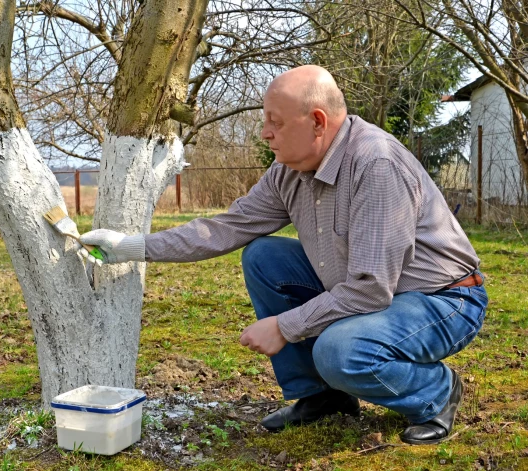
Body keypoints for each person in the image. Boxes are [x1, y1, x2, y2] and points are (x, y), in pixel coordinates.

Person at [78, 65, 488, 445]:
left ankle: (436, 393)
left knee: (340, 351)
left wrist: (286, 326)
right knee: (264, 256)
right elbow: (225, 227)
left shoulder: (374, 165)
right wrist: (129, 246)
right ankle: (323, 397)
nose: (264, 133)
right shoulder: (289, 172)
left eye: (275, 122)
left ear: (317, 122)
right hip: (376, 292)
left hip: (442, 300)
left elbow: (369, 291)